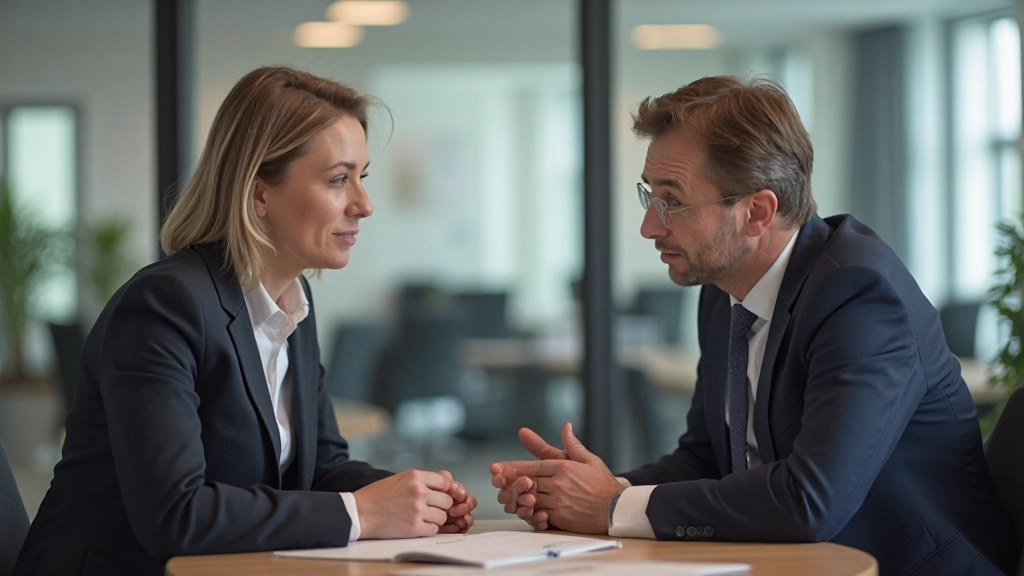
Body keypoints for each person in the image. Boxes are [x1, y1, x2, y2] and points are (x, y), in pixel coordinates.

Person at [491, 76, 1018, 576]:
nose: (650, 225)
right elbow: (707, 458)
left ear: (758, 212)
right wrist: (584, 491)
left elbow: (810, 499)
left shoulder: (859, 294)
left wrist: (610, 506)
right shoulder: (723, 291)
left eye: (672, 200)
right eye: (649, 194)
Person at [14, 66, 476, 576]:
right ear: (259, 195)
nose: (364, 205)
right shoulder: (166, 304)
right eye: (338, 179)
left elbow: (318, 468)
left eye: (361, 178)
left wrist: (419, 495)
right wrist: (364, 512)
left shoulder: (293, 301)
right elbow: (175, 515)